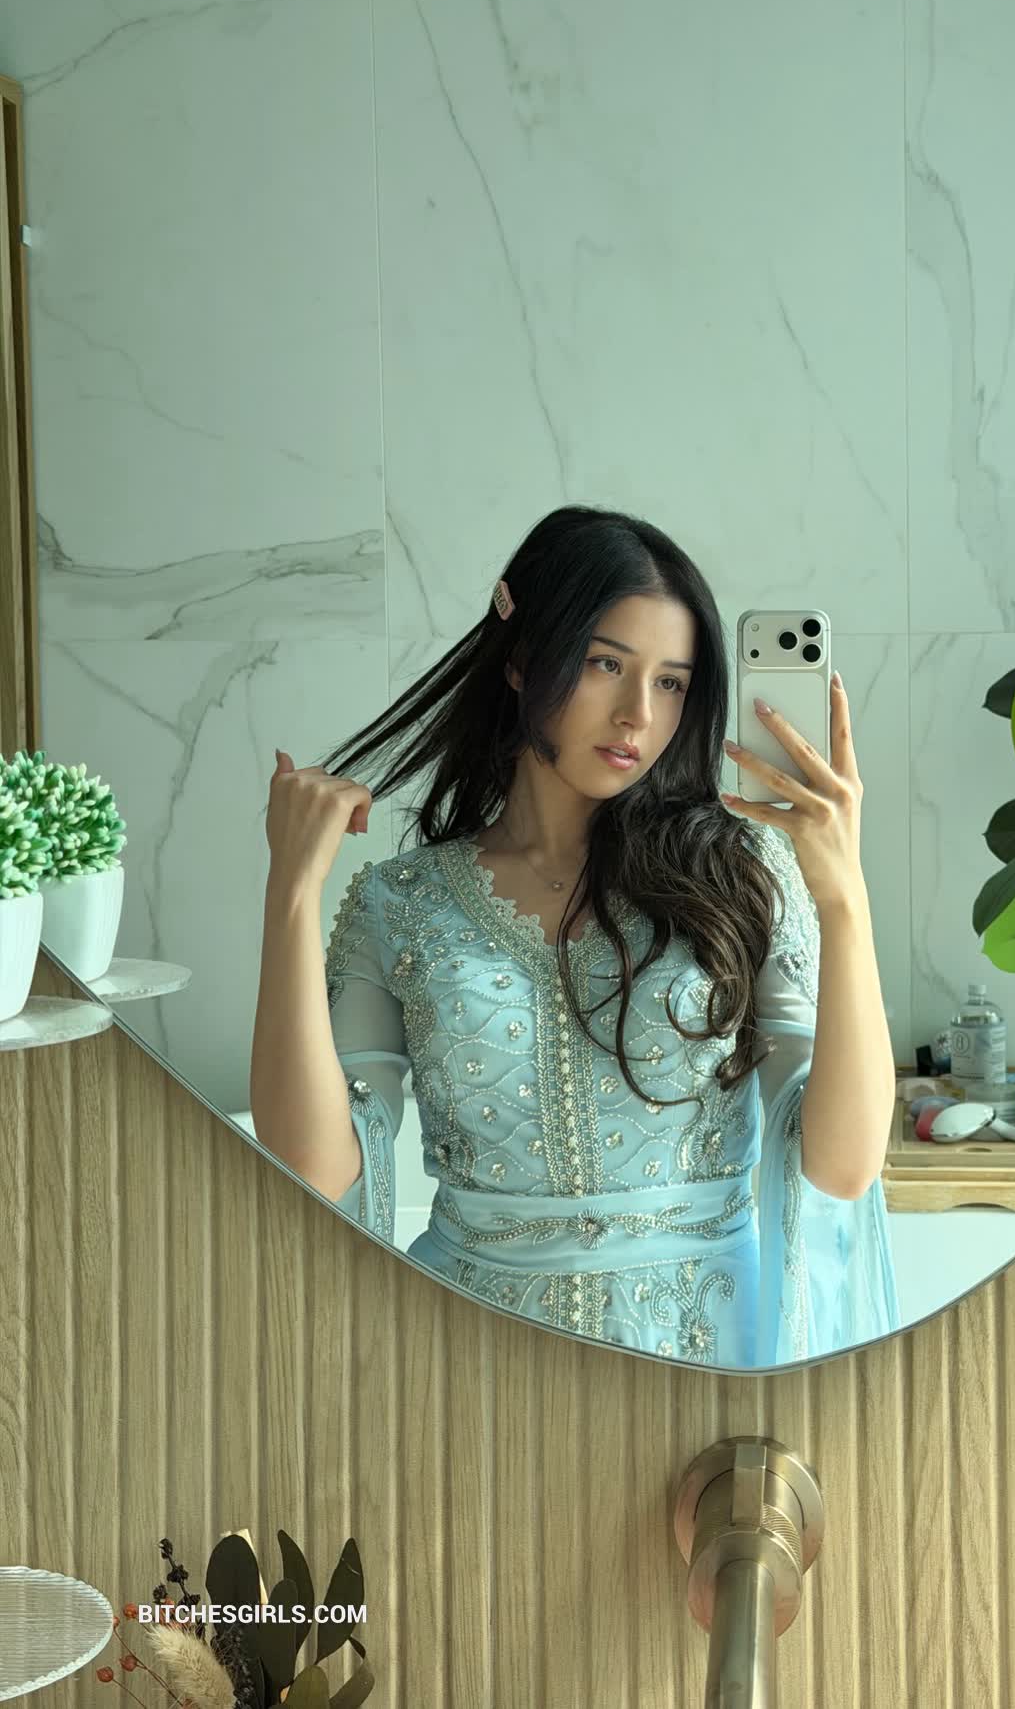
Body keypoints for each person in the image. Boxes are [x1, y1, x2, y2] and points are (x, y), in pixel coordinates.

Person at [255, 504, 900, 1368]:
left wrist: (843, 897)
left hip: (702, 1366)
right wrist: (293, 890)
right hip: (470, 1373)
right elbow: (312, 1166)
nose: (637, 714)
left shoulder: (740, 876)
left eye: (670, 683)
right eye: (606, 664)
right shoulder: (401, 902)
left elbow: (844, 1168)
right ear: (523, 659)